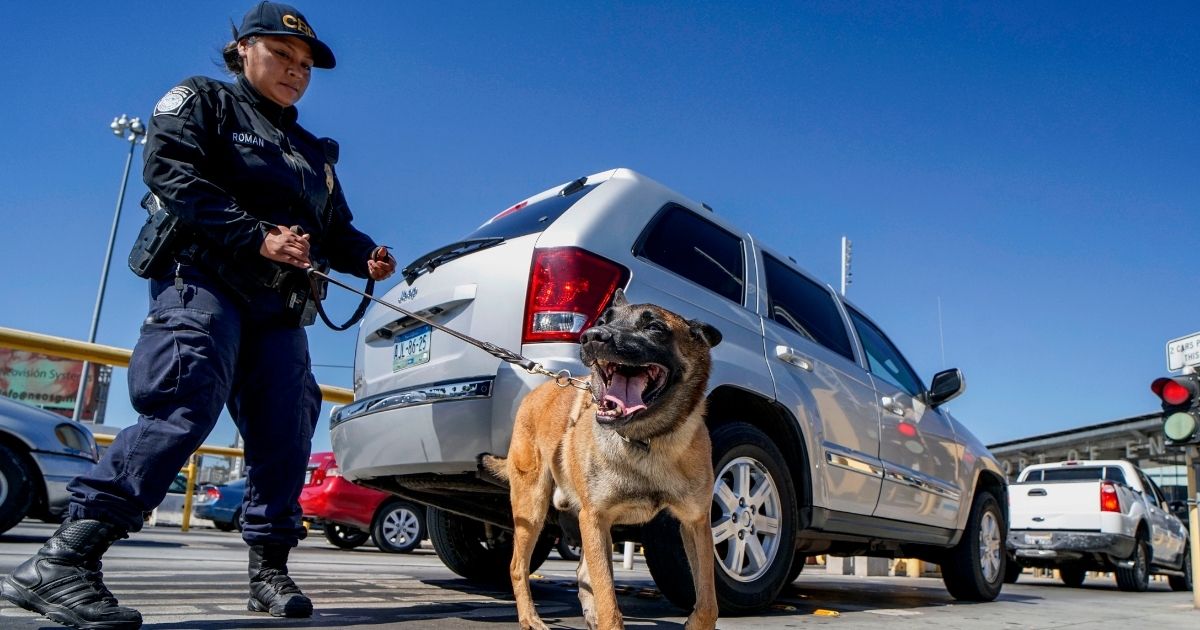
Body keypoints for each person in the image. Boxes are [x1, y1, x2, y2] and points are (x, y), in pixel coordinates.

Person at [0, 3, 395, 628]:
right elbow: (171, 173)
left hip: (281, 305)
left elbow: (336, 227)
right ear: (243, 50)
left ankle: (268, 572)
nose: (295, 71)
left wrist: (364, 256)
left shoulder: (312, 150)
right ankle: (64, 562)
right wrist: (256, 235)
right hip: (204, 281)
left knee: (286, 433)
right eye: (281, 56)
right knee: (183, 405)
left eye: (304, 65)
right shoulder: (203, 100)